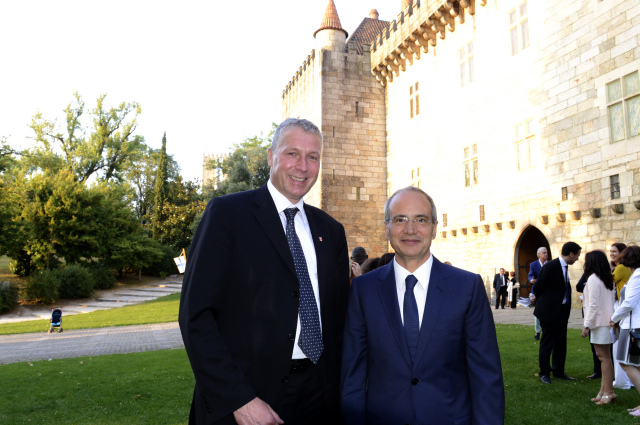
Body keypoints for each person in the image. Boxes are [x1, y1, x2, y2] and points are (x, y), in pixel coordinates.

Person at [179, 118, 350, 425]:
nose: (303, 166)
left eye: (313, 157)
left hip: (318, 396)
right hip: (247, 396)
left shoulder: (331, 231)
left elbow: (337, 320)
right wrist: (239, 399)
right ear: (271, 157)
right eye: (292, 154)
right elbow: (196, 317)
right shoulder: (227, 215)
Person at [341, 186, 504, 424]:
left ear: (435, 228)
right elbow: (352, 377)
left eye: (421, 219)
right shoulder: (363, 290)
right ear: (387, 228)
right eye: (400, 219)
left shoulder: (466, 287)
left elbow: (486, 375)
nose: (410, 229)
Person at [534, 241, 582, 384]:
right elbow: (538, 288)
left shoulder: (565, 267)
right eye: (577, 255)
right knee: (547, 342)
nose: (578, 258)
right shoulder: (550, 266)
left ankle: (559, 371)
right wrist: (548, 302)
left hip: (562, 311)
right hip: (549, 311)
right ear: (571, 254)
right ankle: (544, 373)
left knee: (561, 342)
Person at [580, 250, 616, 404]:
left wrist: (586, 325)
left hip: (600, 322)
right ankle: (603, 390)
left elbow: (593, 305)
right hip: (605, 322)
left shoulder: (594, 279)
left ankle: (608, 392)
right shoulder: (606, 278)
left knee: (604, 358)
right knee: (604, 357)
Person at [610, 246, 640, 416]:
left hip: (632, 326)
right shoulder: (636, 275)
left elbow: (629, 303)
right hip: (633, 324)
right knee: (636, 364)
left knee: (625, 362)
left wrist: (614, 318)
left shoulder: (637, 277)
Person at [611, 242, 633, 389]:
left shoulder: (620, 268)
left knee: (619, 346)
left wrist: (614, 318)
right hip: (624, 308)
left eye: (614, 251)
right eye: (610, 251)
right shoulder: (623, 268)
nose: (612, 254)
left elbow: (607, 282)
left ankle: (622, 381)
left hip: (623, 308)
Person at [529, 247, 548, 340]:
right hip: (537, 291)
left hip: (548, 292)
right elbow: (530, 275)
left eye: (546, 253)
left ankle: (545, 330)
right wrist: (531, 280)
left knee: (547, 311)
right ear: (539, 254)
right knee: (538, 311)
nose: (546, 254)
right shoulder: (534, 264)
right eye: (544, 253)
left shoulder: (550, 264)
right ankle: (537, 331)